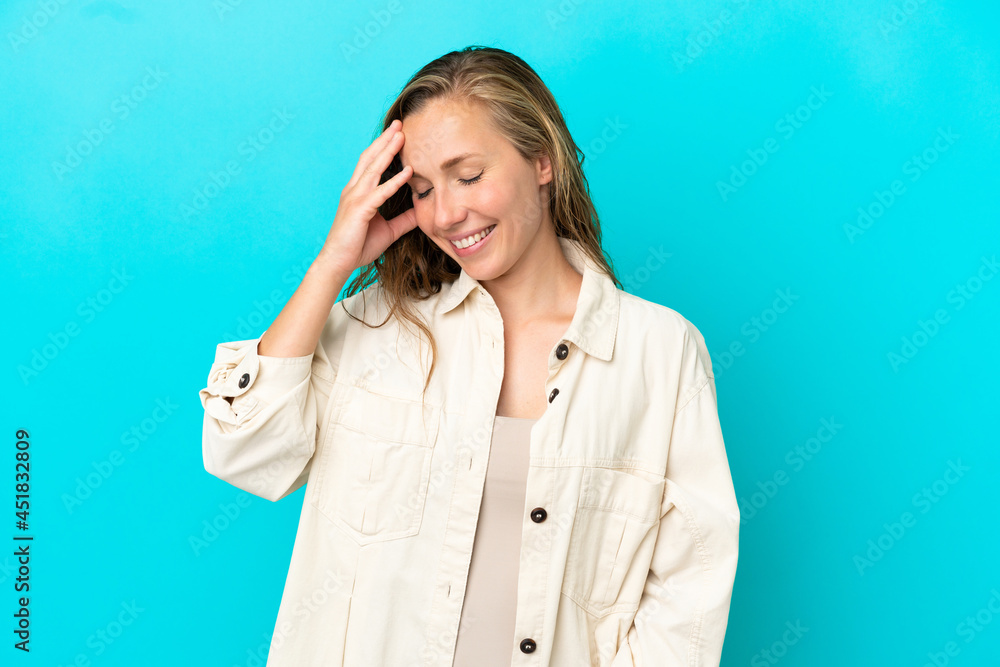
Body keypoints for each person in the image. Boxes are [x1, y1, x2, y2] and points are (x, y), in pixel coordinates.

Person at [199, 45, 740, 666]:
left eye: (470, 175)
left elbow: (689, 589)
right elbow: (243, 453)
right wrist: (333, 264)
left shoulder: (659, 352)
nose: (447, 214)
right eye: (422, 190)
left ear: (542, 159)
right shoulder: (375, 328)